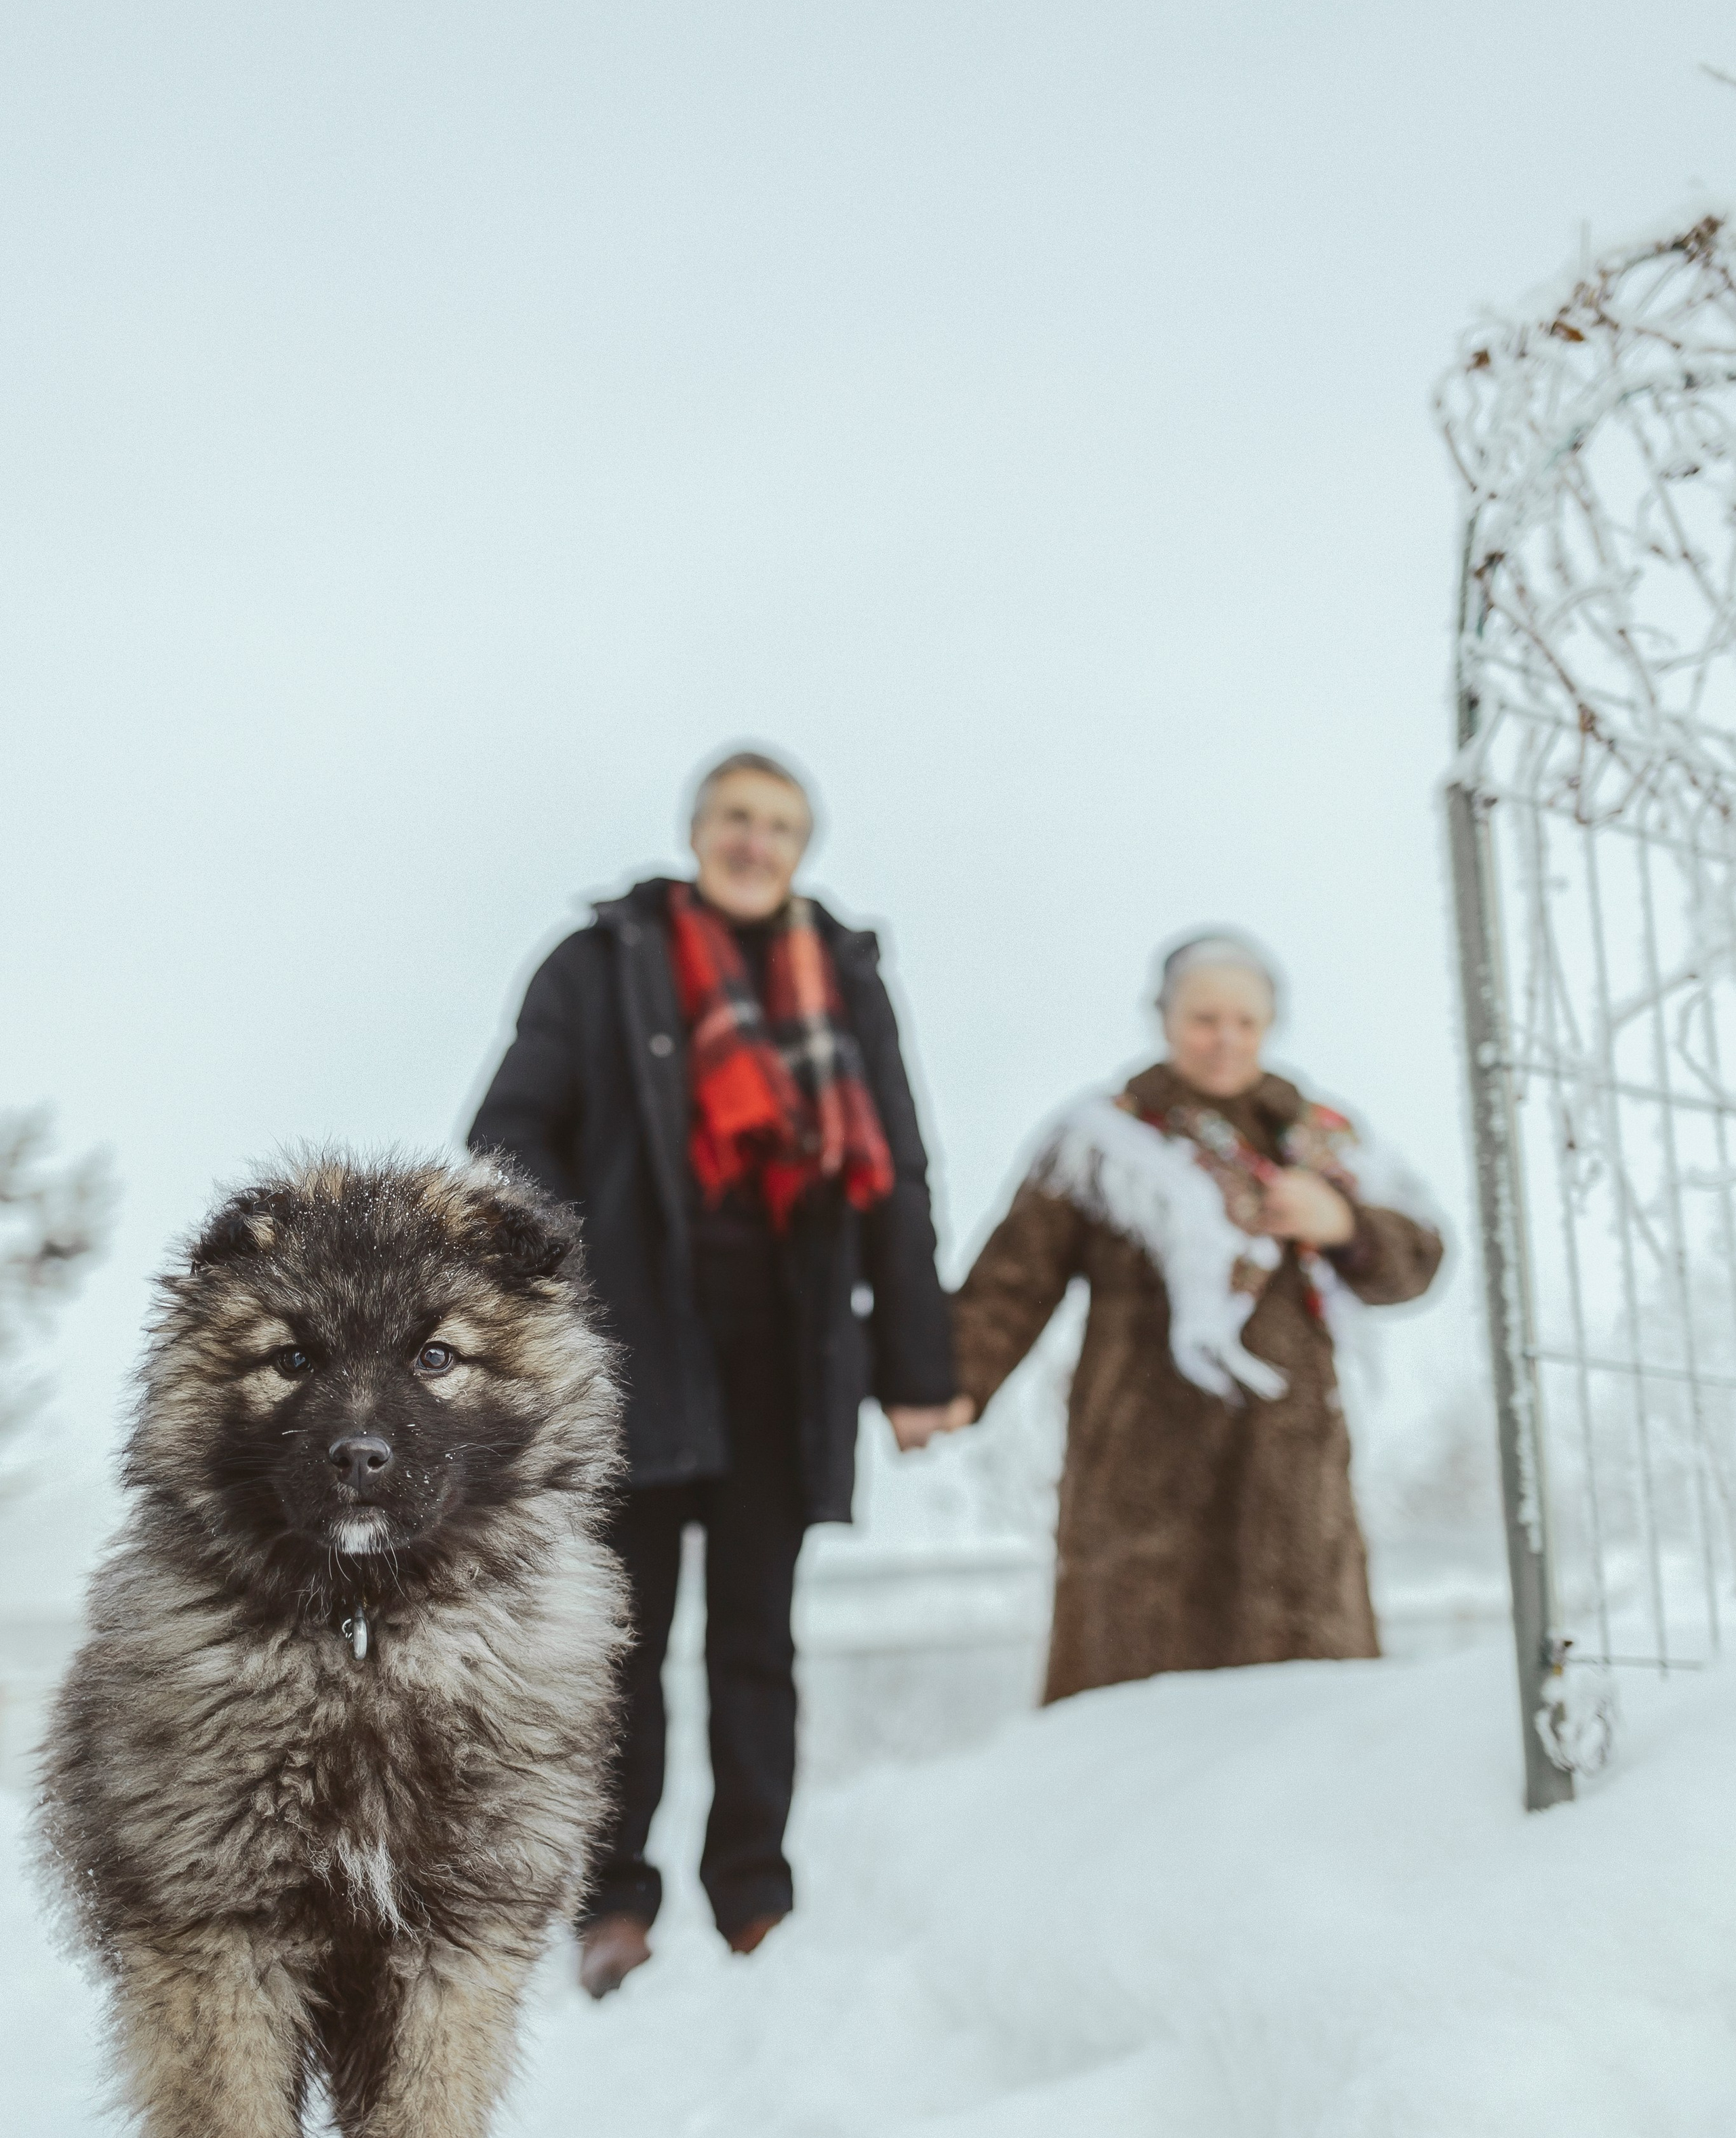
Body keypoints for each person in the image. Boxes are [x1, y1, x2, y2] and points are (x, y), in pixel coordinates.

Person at [469, 749, 957, 1995]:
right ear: (698, 831)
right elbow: (510, 1137)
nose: (756, 841)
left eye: (781, 825)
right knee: (618, 1643)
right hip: (630, 1351)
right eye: (737, 818)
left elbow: (896, 1171)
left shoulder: (843, 978)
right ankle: (613, 1898)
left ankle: (753, 1892)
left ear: (802, 849)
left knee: (756, 1641)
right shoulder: (604, 960)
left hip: (787, 1356)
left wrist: (915, 1363)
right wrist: (552, 1303)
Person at [946, 931, 1442, 1700]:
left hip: (1296, 1474)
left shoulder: (1320, 1143)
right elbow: (1012, 1282)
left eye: (1245, 1021)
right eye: (1203, 1018)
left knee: (1306, 1719)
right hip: (1142, 1474)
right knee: (1136, 1717)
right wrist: (948, 1383)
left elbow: (1418, 1262)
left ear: (1271, 1024)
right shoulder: (1103, 1141)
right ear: (1164, 1018)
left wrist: (1341, 1222)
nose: (1225, 1039)